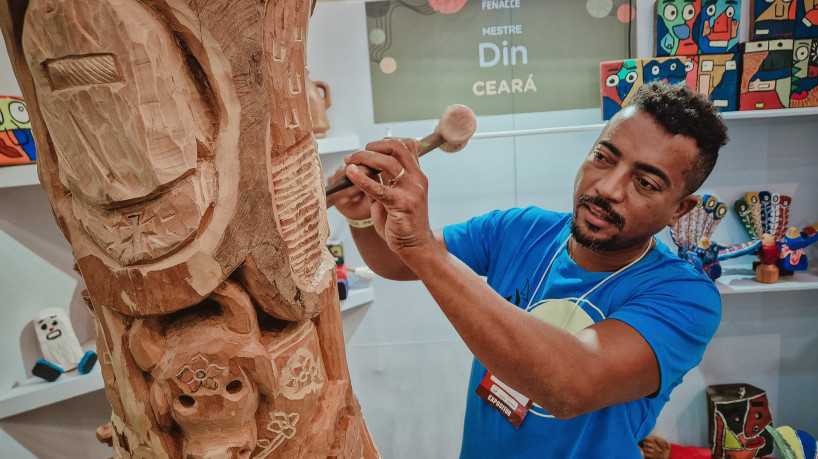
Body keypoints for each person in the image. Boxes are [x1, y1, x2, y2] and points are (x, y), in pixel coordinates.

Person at [330, 81, 728, 457]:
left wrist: (422, 249)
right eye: (603, 158)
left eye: (644, 182)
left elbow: (570, 386)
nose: (608, 188)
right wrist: (364, 217)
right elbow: (395, 262)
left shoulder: (685, 295)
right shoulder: (519, 229)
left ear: (680, 208)